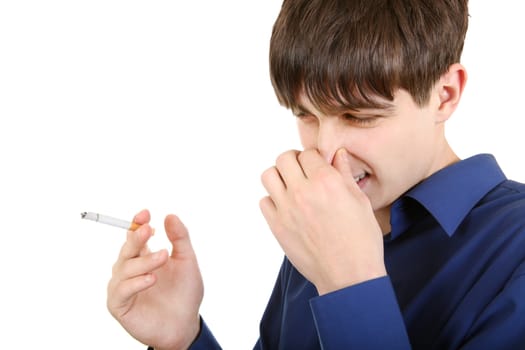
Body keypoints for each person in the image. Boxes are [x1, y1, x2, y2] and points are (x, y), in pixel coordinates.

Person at [106, 0, 525, 349]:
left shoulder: (515, 248)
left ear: (445, 95)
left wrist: (349, 280)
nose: (325, 150)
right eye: (306, 115)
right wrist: (184, 339)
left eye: (358, 116)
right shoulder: (323, 223)